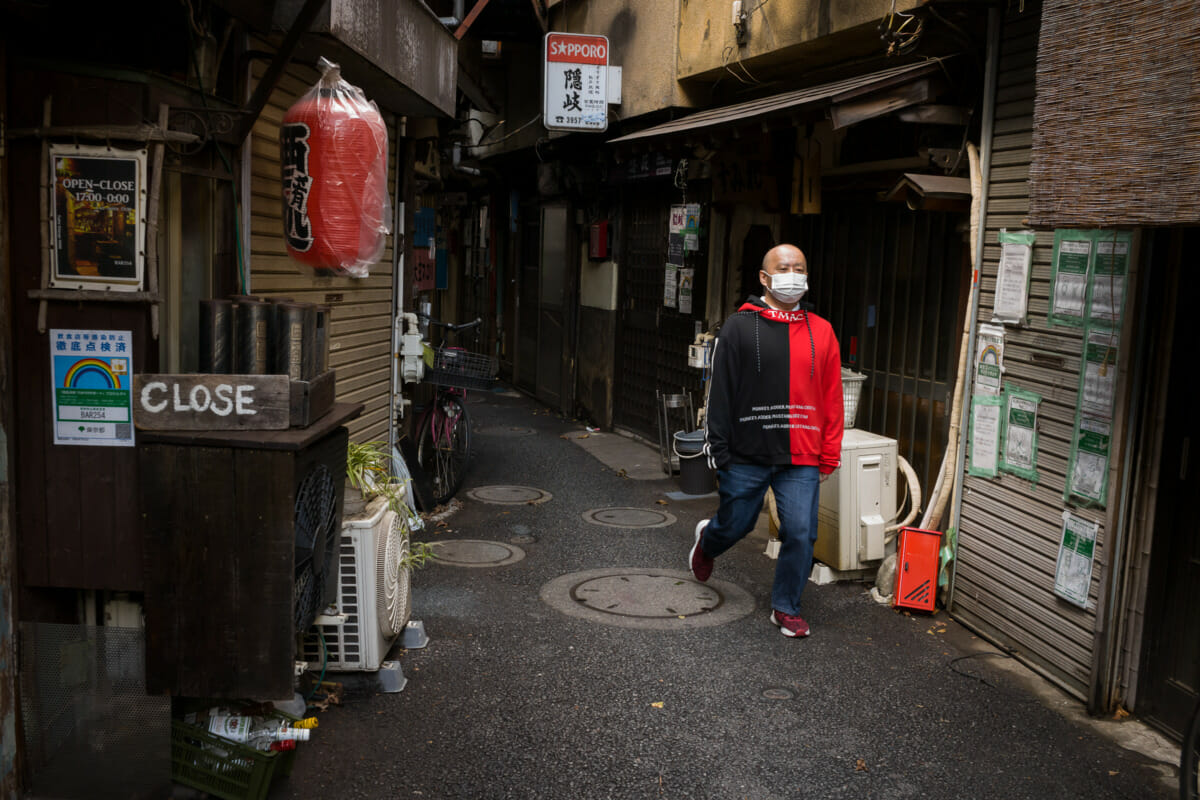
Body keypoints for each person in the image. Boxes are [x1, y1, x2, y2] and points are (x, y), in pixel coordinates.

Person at [689, 243, 844, 638]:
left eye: (799, 267)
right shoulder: (739, 326)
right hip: (747, 451)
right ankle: (708, 541)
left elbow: (832, 396)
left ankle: (785, 607)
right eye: (783, 267)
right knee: (737, 525)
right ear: (764, 277)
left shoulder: (822, 331)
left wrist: (830, 453)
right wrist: (719, 449)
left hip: (801, 454)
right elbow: (720, 391)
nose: (792, 274)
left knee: (801, 532)